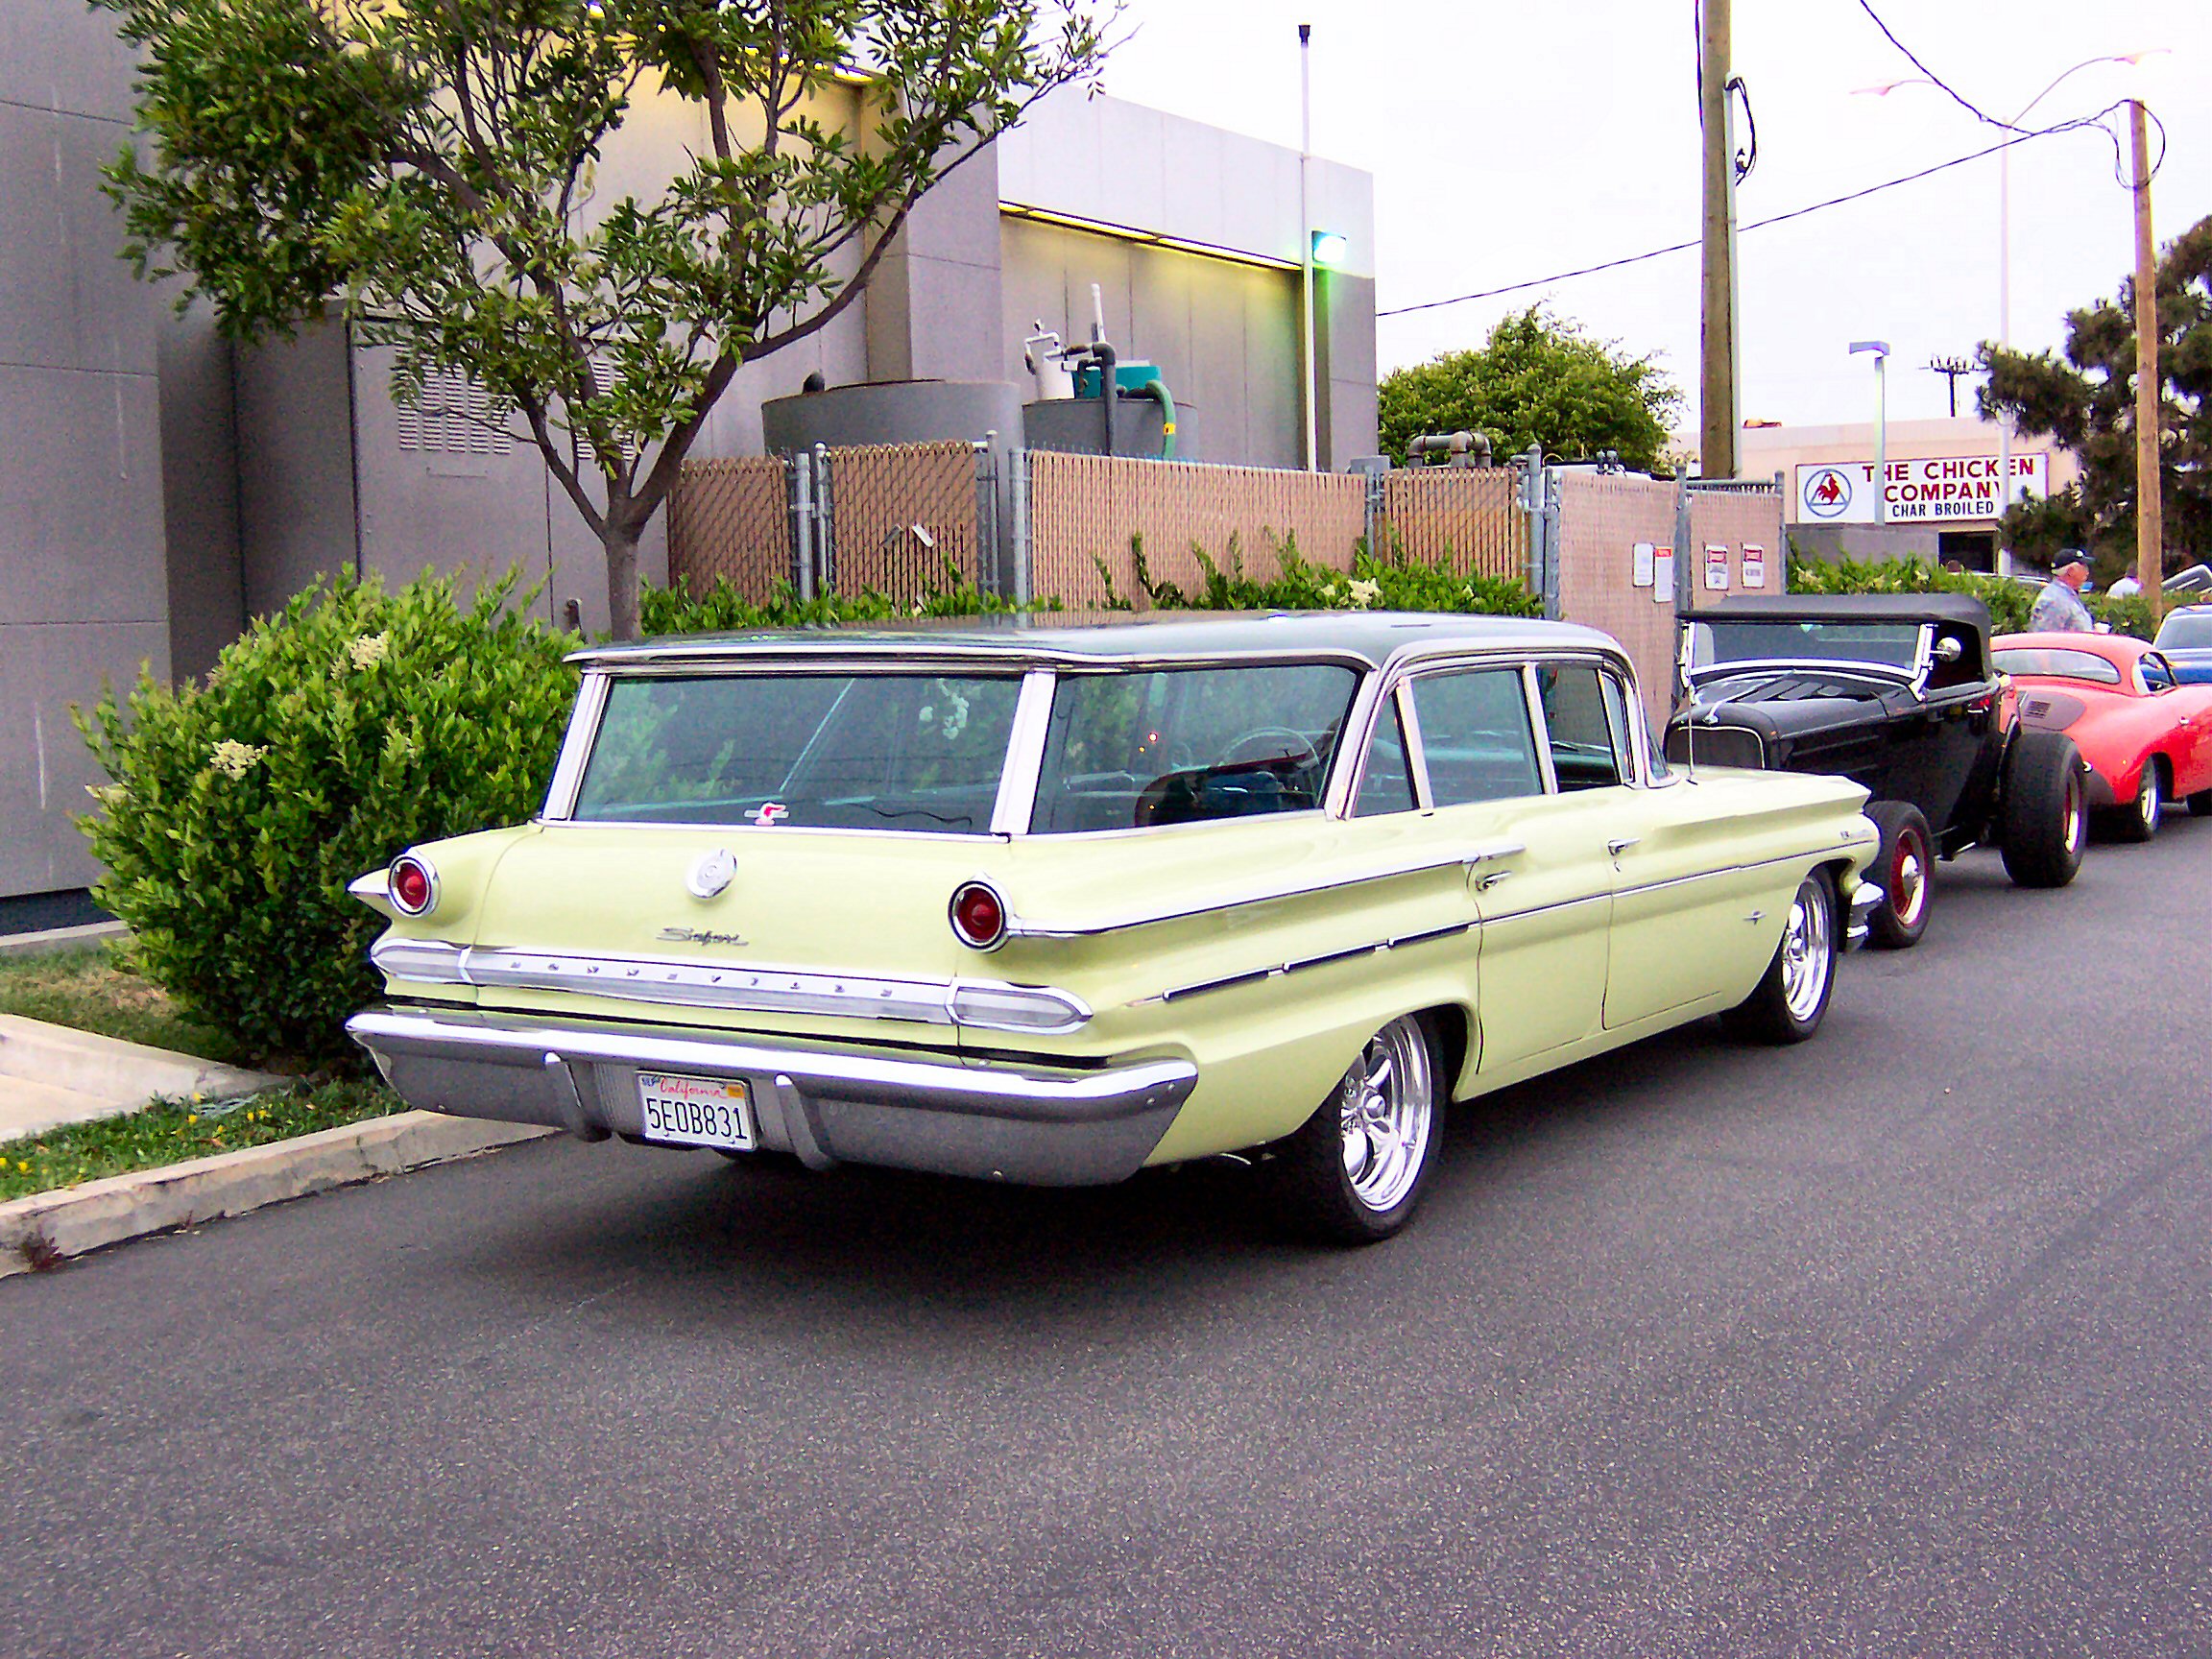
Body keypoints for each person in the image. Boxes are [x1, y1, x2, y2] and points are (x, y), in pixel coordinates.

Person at [2028, 548, 2096, 633]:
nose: (2087, 572)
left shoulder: (2066, 595)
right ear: (2071, 571)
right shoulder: (2055, 601)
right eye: (2084, 567)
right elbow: (2047, 639)